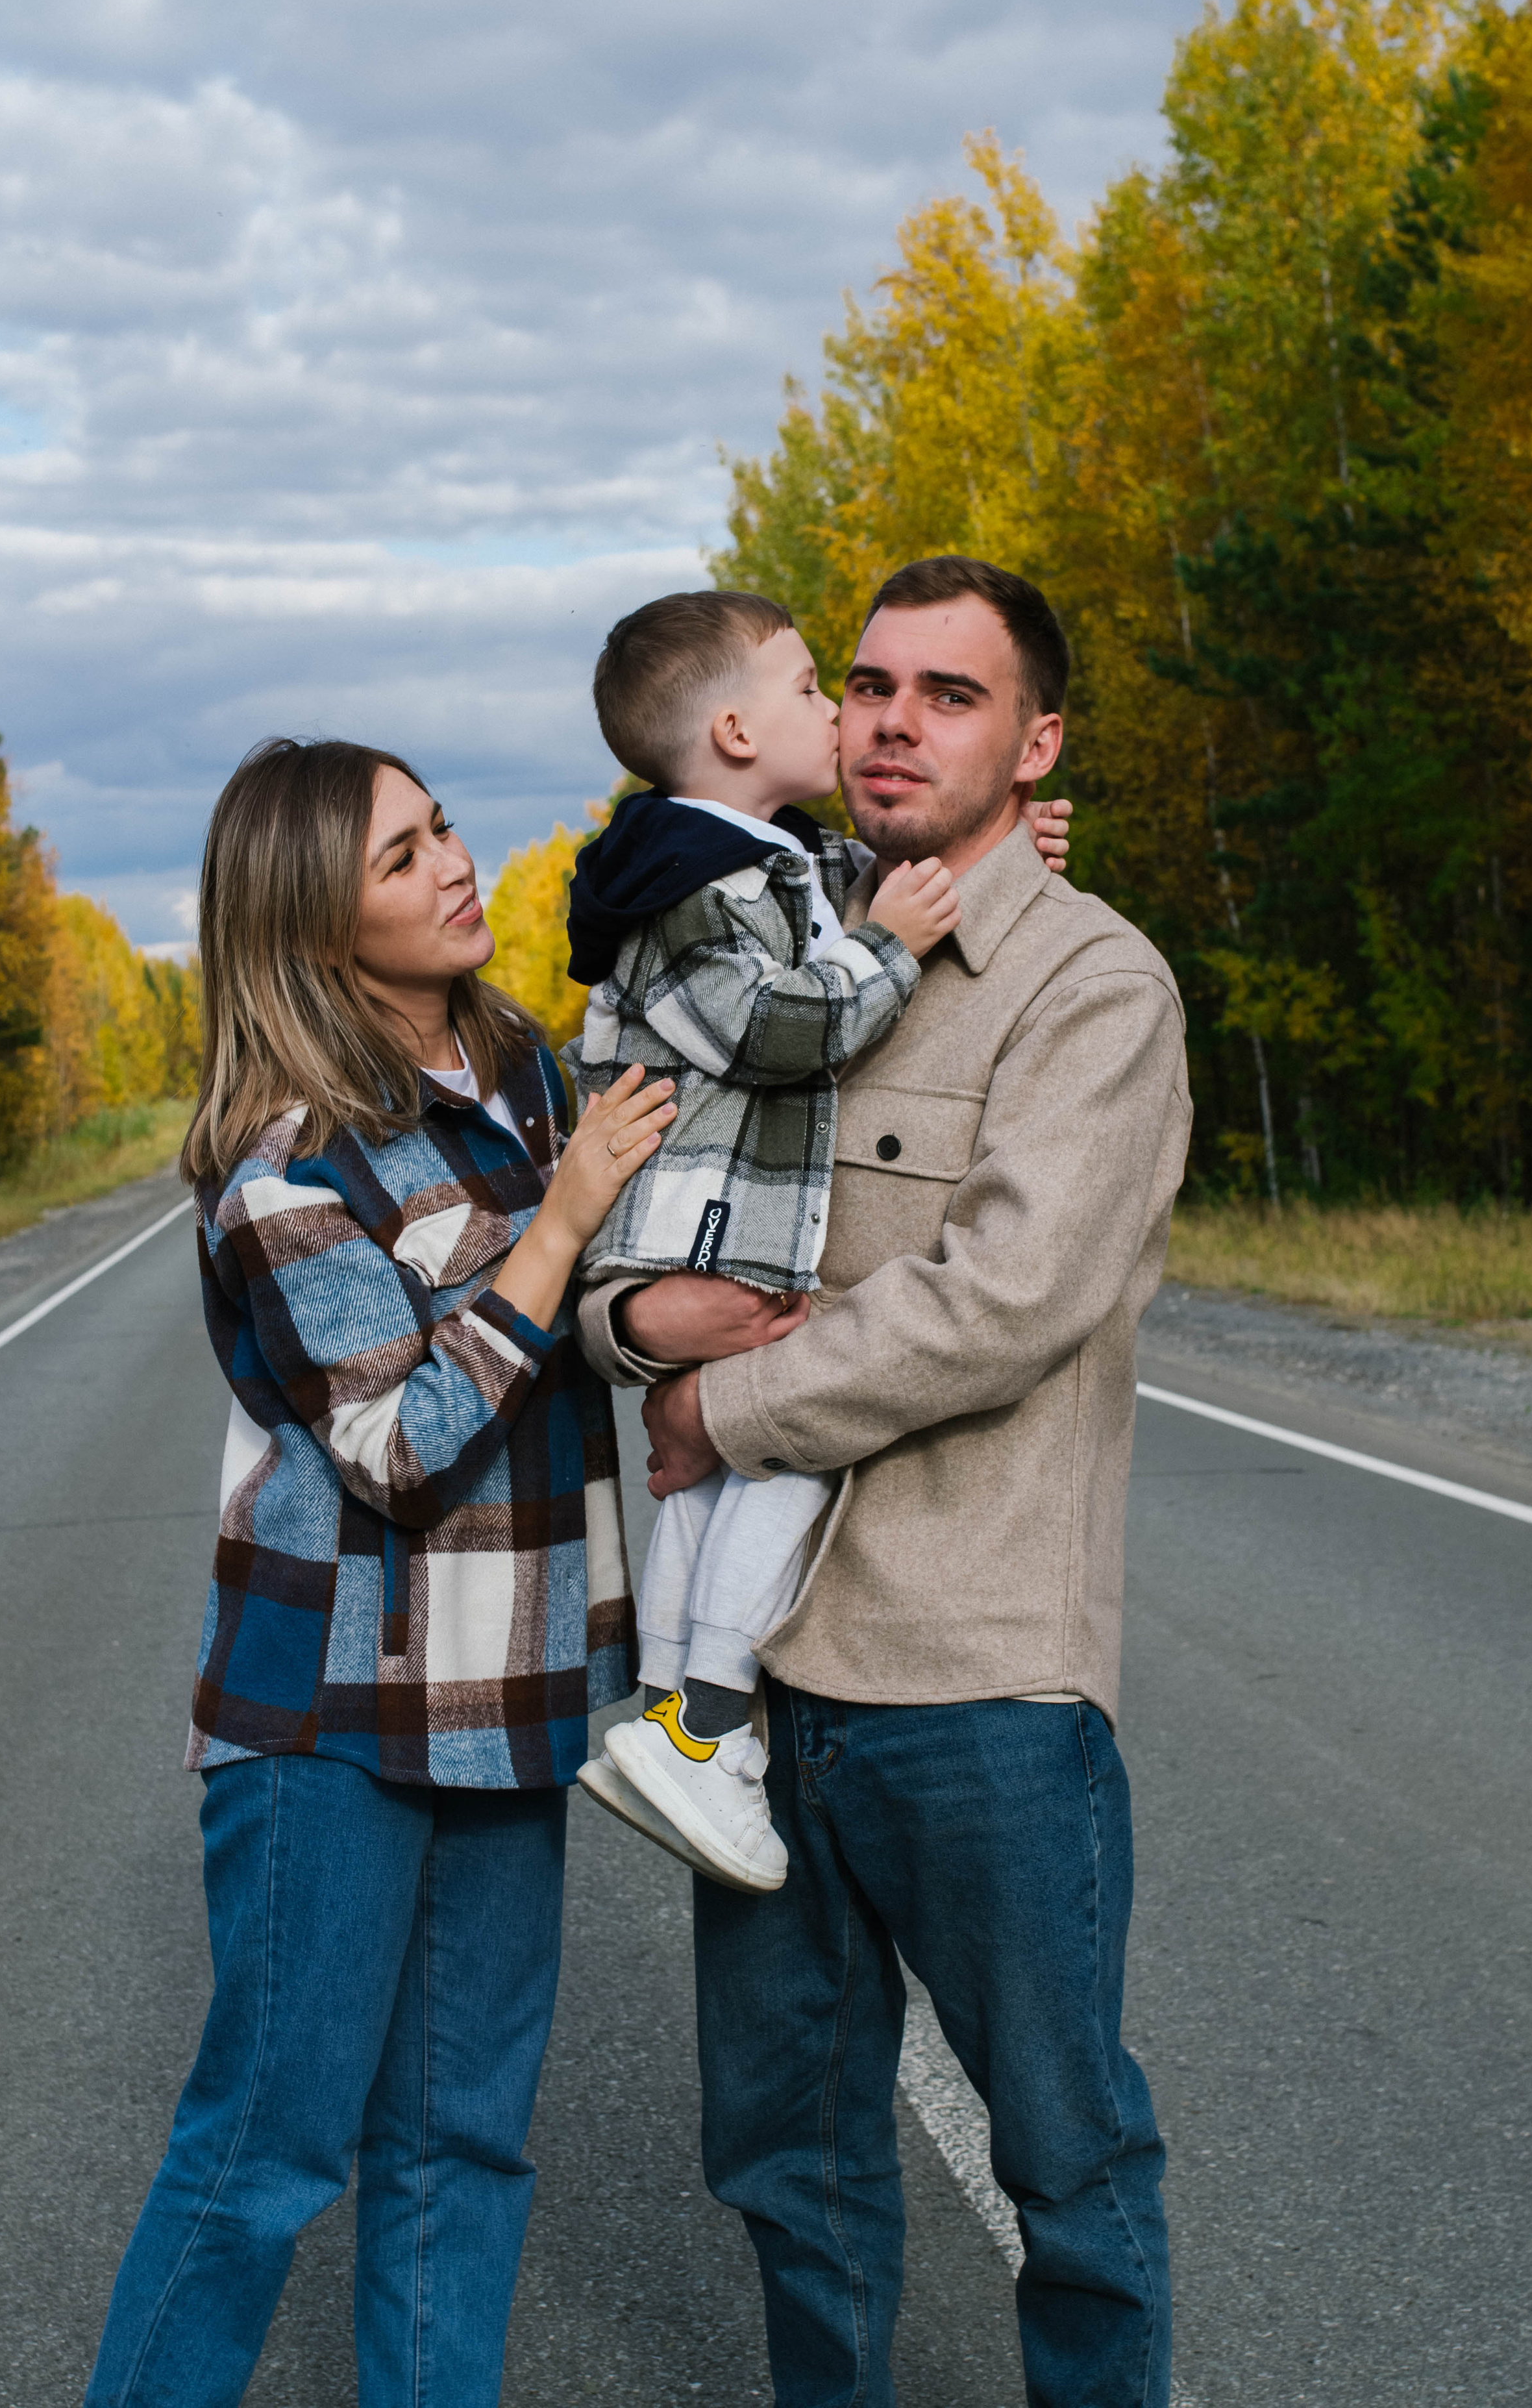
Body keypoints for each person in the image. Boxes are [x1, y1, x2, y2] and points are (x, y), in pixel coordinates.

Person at [578, 558, 1192, 2408]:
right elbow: (616, 1197)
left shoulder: (1093, 986)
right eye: (869, 686)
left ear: (1037, 740)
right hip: (753, 1706)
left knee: (1068, 2168)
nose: (895, 723)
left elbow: (1003, 1299)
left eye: (950, 694)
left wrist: (718, 1414)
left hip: (972, 1683)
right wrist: (625, 1334)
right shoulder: (767, 934)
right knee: (790, 2166)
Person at [85, 737, 674, 2408]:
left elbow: (730, 989)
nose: (454, 864)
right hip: (328, 1720)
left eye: (444, 828)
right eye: (402, 857)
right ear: (310, 925)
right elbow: (398, 1454)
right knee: (270, 2154)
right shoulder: (284, 1170)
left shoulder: (532, 1071)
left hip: (511, 1690)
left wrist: (951, 893)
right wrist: (553, 1234)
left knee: (464, 2148)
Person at [559, 590, 1069, 1893]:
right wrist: (895, 945)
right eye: (813, 691)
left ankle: (673, 1720)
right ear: (733, 729)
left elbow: (849, 886)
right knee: (779, 1456)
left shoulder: (755, 853)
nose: (842, 718)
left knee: (703, 1468)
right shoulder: (680, 889)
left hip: (716, 1218)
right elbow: (786, 1024)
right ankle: (710, 1727)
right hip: (713, 1219)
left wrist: (999, 860)